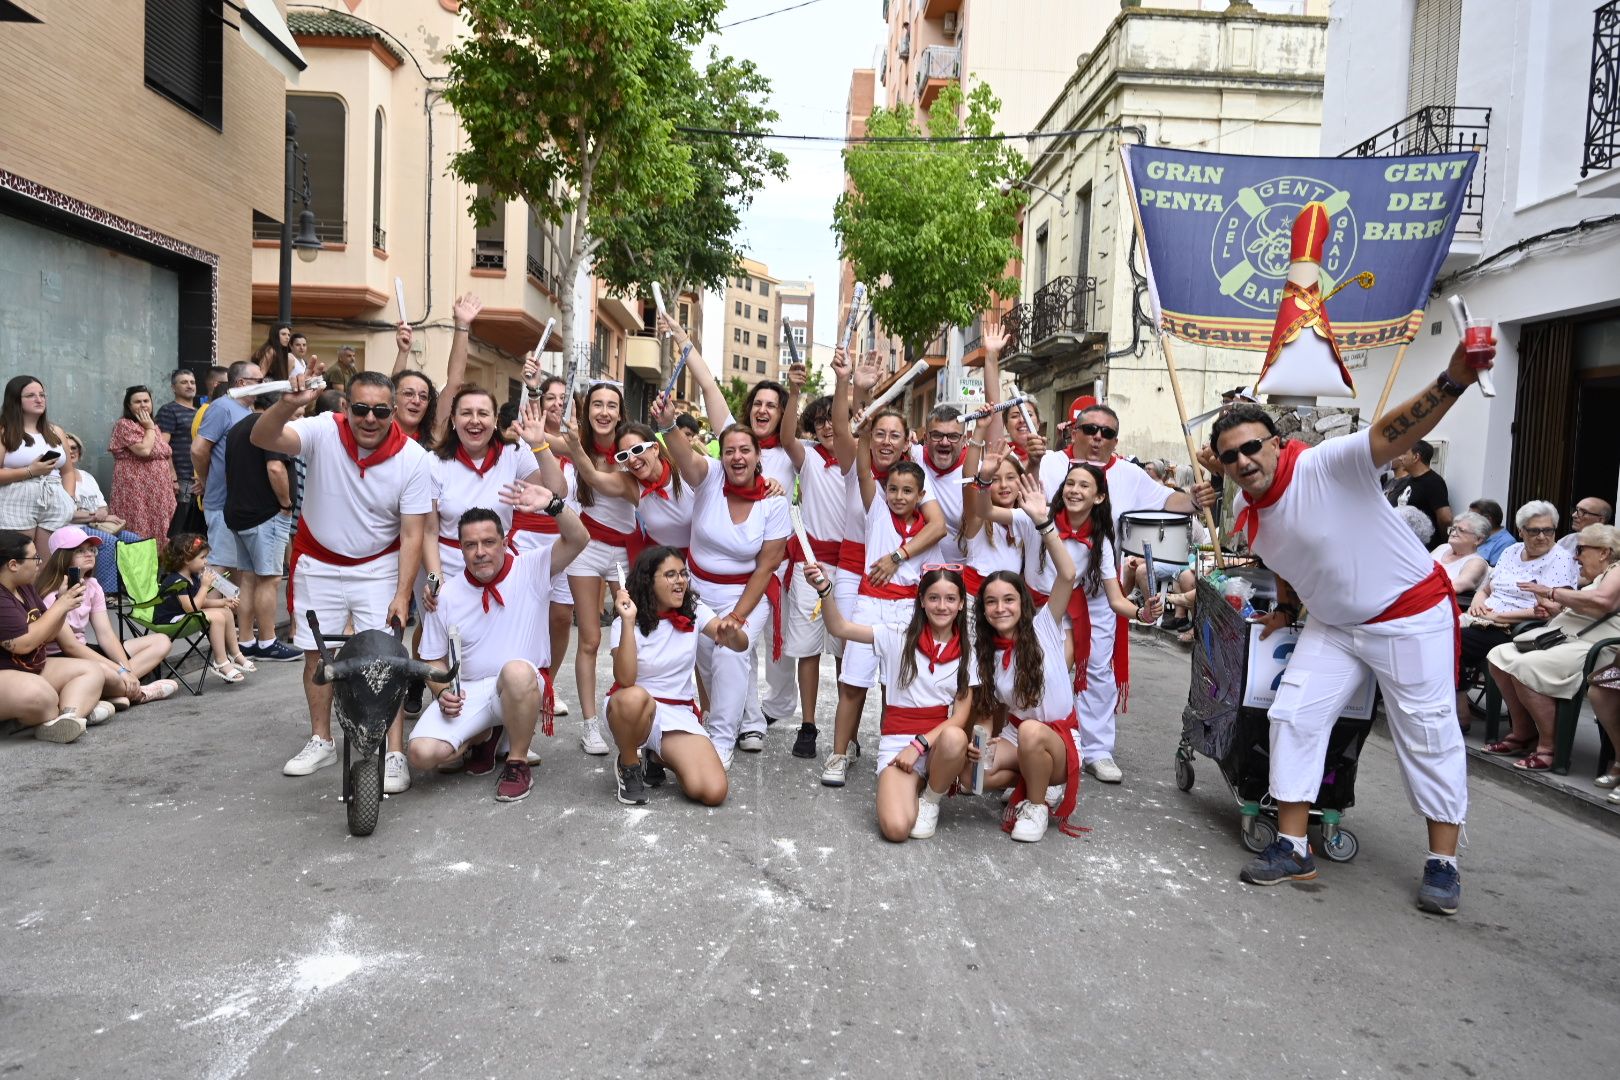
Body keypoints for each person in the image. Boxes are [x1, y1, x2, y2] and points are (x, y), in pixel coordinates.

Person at [1212, 336, 1495, 916]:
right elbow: (1287, 557)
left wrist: (1453, 378)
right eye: (1229, 456)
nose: (1243, 461)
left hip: (1412, 616)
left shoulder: (1328, 463)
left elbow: (1395, 432)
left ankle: (1443, 863)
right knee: (1292, 715)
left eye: (1252, 447)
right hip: (1336, 627)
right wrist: (1288, 607)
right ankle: (1292, 848)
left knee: (1428, 732)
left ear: (1277, 443)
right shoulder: (1250, 514)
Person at [251, 371, 431, 795]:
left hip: (377, 565)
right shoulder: (322, 431)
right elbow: (263, 437)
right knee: (316, 656)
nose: (371, 418)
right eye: (362, 408)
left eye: (381, 410)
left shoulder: (414, 458)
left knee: (385, 659)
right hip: (318, 561)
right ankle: (322, 739)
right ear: (346, 407)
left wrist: (403, 594)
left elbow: (412, 533)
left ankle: (394, 751)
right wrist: (287, 403)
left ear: (393, 413)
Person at [1034, 400, 1212, 782]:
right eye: (1090, 429)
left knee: (1099, 670)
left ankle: (1097, 749)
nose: (1098, 437)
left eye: (1107, 433)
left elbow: (1169, 501)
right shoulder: (1048, 464)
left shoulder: (1129, 476)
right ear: (1074, 432)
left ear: (1115, 440)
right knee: (1044, 668)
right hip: (1048, 591)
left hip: (1100, 588)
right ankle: (1046, 741)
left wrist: (1197, 498)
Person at [661, 313, 800, 737]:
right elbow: (708, 387)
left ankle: (737, 727)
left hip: (761, 567)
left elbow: (795, 424)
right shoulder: (732, 447)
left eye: (772, 406)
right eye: (757, 403)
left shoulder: (792, 451)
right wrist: (685, 341)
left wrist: (795, 391)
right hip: (710, 572)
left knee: (740, 651)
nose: (762, 410)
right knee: (718, 651)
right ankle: (750, 720)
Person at [823, 348, 948, 787]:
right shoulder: (873, 494)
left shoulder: (918, 489)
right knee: (853, 682)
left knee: (898, 688)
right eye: (881, 433)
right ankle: (839, 754)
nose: (898, 494)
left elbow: (940, 525)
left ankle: (891, 749)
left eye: (906, 490)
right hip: (869, 604)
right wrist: (862, 403)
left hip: (907, 609)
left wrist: (897, 556)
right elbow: (858, 451)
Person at [408, 501, 588, 802]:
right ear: (461, 549)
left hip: (521, 686)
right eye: (470, 545)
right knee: (421, 754)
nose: (480, 552)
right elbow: (431, 656)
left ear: (504, 543)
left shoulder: (531, 568)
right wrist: (441, 692)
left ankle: (516, 762)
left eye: (489, 542)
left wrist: (553, 504)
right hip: (470, 692)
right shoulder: (446, 595)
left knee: (516, 671)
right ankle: (483, 736)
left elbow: (579, 538)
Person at [653, 397, 791, 769]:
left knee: (730, 649)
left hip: (750, 591)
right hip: (697, 590)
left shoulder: (774, 502)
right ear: (722, 455)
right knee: (708, 662)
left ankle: (721, 739)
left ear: (758, 455)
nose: (737, 457)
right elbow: (684, 456)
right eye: (730, 450)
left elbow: (767, 566)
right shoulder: (710, 476)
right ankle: (747, 721)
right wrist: (667, 425)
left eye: (745, 449)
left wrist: (739, 617)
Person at [806, 559, 975, 841]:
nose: (941, 606)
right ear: (921, 600)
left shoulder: (970, 650)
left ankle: (931, 799)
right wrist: (824, 590)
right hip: (898, 741)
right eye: (933, 598)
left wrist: (919, 745)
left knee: (956, 736)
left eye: (950, 599)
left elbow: (959, 717)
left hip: (935, 744)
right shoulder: (897, 635)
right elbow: (840, 628)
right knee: (896, 829)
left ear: (960, 604)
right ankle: (918, 783)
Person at [971, 511, 1083, 843]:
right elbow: (989, 708)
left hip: (1058, 740)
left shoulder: (1045, 625)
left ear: (1022, 603)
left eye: (1008, 599)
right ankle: (1034, 777)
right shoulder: (986, 650)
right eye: (991, 602)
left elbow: (1068, 573)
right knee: (971, 774)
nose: (1000, 608)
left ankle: (1036, 804)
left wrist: (1043, 524)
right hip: (1014, 735)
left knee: (1033, 731)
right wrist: (982, 743)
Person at [604, 546, 742, 807]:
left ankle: (656, 758)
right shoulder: (624, 621)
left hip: (677, 713)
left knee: (713, 791)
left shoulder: (695, 610)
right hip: (632, 710)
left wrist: (733, 633)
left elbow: (739, 644)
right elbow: (625, 678)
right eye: (670, 575)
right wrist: (629, 621)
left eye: (683, 574)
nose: (680, 581)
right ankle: (629, 764)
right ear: (648, 580)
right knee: (634, 696)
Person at [1485, 524, 1620, 770]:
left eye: (1581, 549)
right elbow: (1586, 607)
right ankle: (1523, 732)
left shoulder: (1617, 570)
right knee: (1499, 655)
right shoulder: (1596, 577)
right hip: (1566, 638)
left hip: (1593, 647)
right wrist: (1550, 605)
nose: (1576, 556)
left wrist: (1551, 591)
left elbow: (1603, 601)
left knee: (1526, 666)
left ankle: (1549, 747)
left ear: (1603, 552)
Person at [557, 380, 639, 755]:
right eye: (596, 405)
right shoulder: (578, 444)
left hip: (624, 553)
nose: (604, 412)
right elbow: (538, 439)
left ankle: (632, 712)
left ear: (621, 413)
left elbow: (596, 478)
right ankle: (590, 724)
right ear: (587, 410)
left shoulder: (630, 451)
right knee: (589, 639)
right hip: (587, 550)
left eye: (611, 405)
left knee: (629, 634)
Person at [776, 372, 855, 760]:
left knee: (845, 651)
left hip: (850, 568)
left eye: (833, 419)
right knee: (807, 651)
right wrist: (793, 393)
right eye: (819, 420)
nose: (827, 426)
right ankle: (808, 725)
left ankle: (849, 728)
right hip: (811, 565)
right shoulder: (808, 458)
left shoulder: (857, 460)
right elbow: (786, 437)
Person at [1460, 501, 1580, 722]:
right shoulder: (1511, 551)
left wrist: (1497, 616)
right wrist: (1477, 602)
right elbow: (1486, 589)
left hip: (1513, 628)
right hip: (1481, 617)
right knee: (1432, 631)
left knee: (1451, 640)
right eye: (1534, 530)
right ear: (1521, 531)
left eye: (1548, 530)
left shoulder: (1560, 559)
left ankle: (1459, 705)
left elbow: (1551, 610)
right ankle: (1455, 697)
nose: (1542, 536)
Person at [37, 526, 177, 707]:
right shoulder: (51, 595)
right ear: (62, 557)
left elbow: (106, 635)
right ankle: (138, 693)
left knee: (161, 641)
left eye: (91, 549)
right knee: (103, 671)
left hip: (85, 648)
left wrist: (126, 670)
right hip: (62, 657)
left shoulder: (92, 585)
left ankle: (117, 689)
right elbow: (70, 647)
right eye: (80, 551)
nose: (89, 554)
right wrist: (119, 670)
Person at [421, 385, 545, 585]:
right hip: (450, 575)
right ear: (453, 420)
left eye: (483, 413)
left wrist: (540, 446)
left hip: (501, 571)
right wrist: (436, 584)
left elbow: (556, 490)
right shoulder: (433, 462)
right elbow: (429, 532)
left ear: (495, 420)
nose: (475, 420)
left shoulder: (514, 452)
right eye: (466, 413)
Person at [508, 372, 578, 719]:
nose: (558, 404)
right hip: (527, 536)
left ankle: (547, 681)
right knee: (528, 611)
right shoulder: (525, 440)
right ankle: (526, 680)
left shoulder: (579, 444)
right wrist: (532, 388)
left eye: (564, 398)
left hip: (566, 538)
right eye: (551, 397)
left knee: (562, 616)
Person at [0, 529, 105, 742]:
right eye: (34, 557)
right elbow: (23, 644)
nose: (40, 562)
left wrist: (63, 603)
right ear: (13, 565)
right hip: (6, 670)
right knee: (43, 697)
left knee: (92, 670)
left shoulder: (25, 587)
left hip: (29, 667)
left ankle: (68, 719)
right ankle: (56, 714)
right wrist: (60, 604)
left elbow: (48, 635)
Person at [223, 393, 301, 662]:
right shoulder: (272, 428)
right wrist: (286, 502)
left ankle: (246, 640)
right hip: (265, 513)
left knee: (248, 578)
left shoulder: (236, 428)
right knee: (269, 579)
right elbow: (276, 468)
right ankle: (268, 641)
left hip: (239, 512)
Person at [191, 360, 262, 573]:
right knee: (219, 564)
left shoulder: (246, 410)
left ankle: (230, 607)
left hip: (240, 503)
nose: (263, 384)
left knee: (239, 568)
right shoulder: (222, 407)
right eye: (258, 381)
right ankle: (213, 606)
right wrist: (206, 480)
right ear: (242, 382)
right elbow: (198, 450)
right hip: (222, 502)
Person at [155, 534, 252, 684]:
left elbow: (200, 602)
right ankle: (220, 661)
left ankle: (235, 653)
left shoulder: (192, 577)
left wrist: (222, 602)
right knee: (217, 617)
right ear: (187, 560)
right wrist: (206, 586)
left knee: (225, 611)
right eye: (202, 558)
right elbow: (191, 608)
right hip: (170, 621)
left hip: (184, 616)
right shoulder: (176, 581)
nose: (206, 561)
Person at [389, 292, 482, 448]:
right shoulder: (377, 433)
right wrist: (403, 352)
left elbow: (454, 382)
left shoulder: (433, 435)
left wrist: (462, 326)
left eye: (424, 396)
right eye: (408, 393)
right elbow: (392, 385)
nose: (416, 401)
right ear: (392, 400)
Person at [57, 432, 140, 595]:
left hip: (96, 525)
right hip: (73, 528)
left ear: (80, 453)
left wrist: (102, 513)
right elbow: (66, 513)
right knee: (108, 542)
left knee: (135, 540)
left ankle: (135, 590)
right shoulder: (56, 478)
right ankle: (105, 593)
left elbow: (103, 506)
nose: (71, 452)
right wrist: (96, 515)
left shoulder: (87, 477)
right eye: (65, 448)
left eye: (74, 448)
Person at [0, 375, 74, 552]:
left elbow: (68, 471)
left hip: (54, 498)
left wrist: (69, 499)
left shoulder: (55, 431)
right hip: (16, 498)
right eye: (31, 395)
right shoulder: (4, 430)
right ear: (15, 400)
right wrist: (30, 471)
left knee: (47, 566)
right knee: (20, 561)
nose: (39, 399)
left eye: (42, 394)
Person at [107, 385, 177, 540]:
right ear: (129, 406)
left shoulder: (153, 426)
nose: (143, 404)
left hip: (160, 489)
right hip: (137, 489)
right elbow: (144, 451)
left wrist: (173, 478)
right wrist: (150, 428)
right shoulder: (125, 425)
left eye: (146, 400)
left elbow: (164, 454)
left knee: (164, 526)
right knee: (140, 525)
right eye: (137, 402)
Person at [155, 368, 200, 534]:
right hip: (181, 478)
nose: (189, 386)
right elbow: (162, 446)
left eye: (192, 382)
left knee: (195, 526)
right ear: (174, 387)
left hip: (198, 478)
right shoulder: (169, 410)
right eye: (184, 382)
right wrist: (172, 476)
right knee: (180, 524)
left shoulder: (199, 412)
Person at [1385, 439, 1452, 536]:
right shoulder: (1409, 480)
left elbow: (1446, 518)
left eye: (1404, 454)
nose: (1400, 458)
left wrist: (1444, 543)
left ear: (1416, 457)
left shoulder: (1434, 482)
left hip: (1424, 545)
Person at [1433, 511, 1490, 596]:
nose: (1453, 533)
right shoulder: (1442, 548)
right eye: (1453, 528)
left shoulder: (1477, 563)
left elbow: (1457, 586)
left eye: (1461, 530)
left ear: (1478, 539)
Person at [1470, 498, 1513, 566]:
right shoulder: (1475, 535)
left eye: (1472, 517)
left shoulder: (1506, 542)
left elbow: (1495, 573)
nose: (1467, 520)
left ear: (1487, 519)